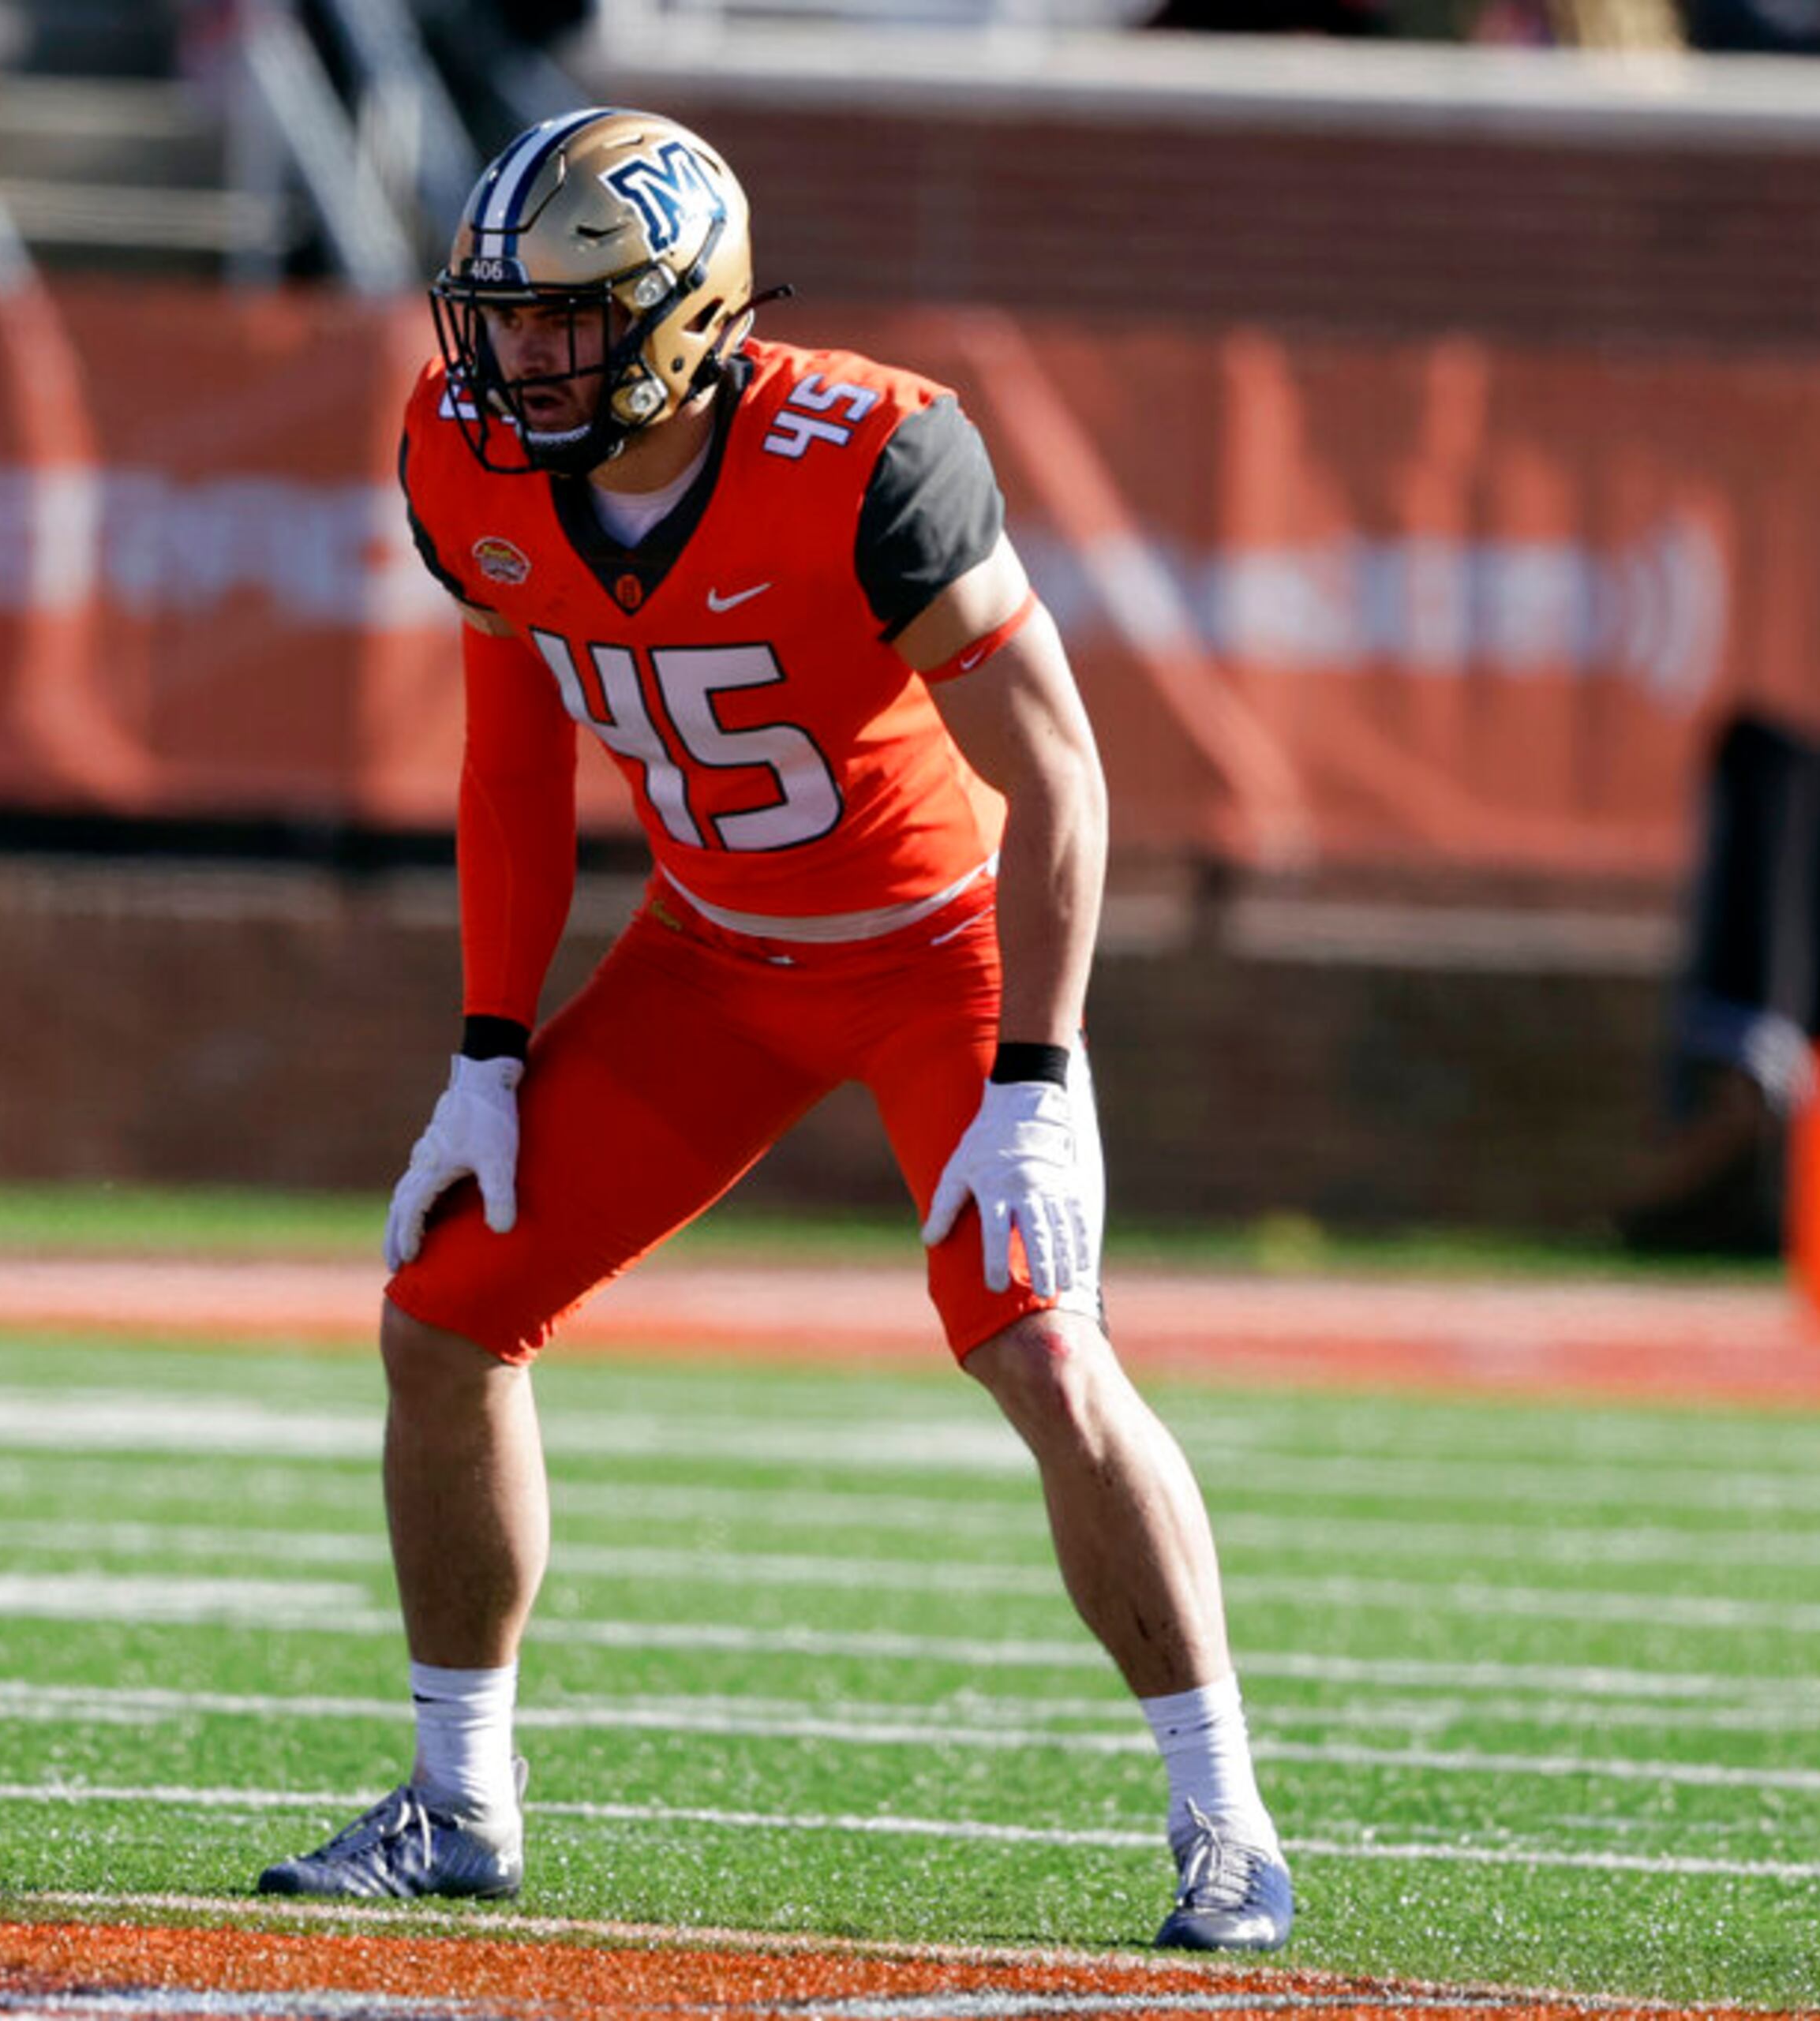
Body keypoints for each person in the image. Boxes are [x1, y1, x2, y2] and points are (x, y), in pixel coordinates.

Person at [255, 108, 1293, 1954]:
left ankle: (1225, 1818)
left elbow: (1056, 775)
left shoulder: (870, 451)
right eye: (497, 319)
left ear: (680, 314)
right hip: (712, 951)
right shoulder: (468, 459)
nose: (512, 359)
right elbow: (509, 755)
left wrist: (1036, 1083)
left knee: (1041, 1350)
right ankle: (458, 1795)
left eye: (562, 322)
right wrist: (484, 1047)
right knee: (440, 1311)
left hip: (938, 951)